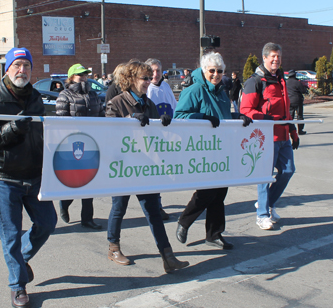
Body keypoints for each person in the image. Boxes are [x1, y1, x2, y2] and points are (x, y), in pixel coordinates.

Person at [0, 47, 57, 308]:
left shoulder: (36, 98)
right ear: (8, 68)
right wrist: (10, 129)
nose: (22, 71)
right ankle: (17, 286)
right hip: (4, 177)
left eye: (27, 66)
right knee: (10, 234)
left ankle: (19, 260)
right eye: (17, 65)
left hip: (34, 176)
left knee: (47, 223)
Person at [105, 60, 189, 273]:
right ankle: (113, 247)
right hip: (124, 167)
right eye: (144, 77)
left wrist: (163, 122)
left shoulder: (149, 103)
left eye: (150, 76)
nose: (149, 80)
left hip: (145, 166)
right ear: (131, 80)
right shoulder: (116, 102)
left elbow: (156, 137)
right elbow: (108, 130)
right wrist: (130, 118)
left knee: (153, 210)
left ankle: (168, 256)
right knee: (119, 208)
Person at [174, 52, 252, 250]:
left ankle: (214, 234)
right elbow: (179, 116)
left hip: (222, 147)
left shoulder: (222, 92)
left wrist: (238, 116)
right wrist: (202, 117)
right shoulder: (194, 90)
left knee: (220, 194)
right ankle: (184, 221)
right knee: (208, 191)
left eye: (219, 71)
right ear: (203, 70)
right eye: (212, 71)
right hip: (202, 149)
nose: (216, 75)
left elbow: (223, 116)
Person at [240, 42, 299, 231]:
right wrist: (266, 118)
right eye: (272, 56)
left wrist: (293, 131)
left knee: (288, 170)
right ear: (264, 58)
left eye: (279, 56)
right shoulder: (255, 81)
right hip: (265, 137)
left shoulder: (281, 79)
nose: (276, 59)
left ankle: (265, 203)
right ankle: (263, 215)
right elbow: (246, 110)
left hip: (283, 136)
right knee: (264, 176)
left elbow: (286, 110)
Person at [56, 63, 104, 230]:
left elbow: (102, 115)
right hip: (73, 145)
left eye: (85, 75)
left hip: (92, 143)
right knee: (75, 181)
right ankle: (65, 202)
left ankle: (87, 218)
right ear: (71, 78)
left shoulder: (93, 94)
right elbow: (61, 121)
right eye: (79, 75)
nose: (83, 77)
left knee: (89, 181)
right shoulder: (65, 95)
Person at [145, 58, 178, 221]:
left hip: (166, 136)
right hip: (151, 137)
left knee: (160, 173)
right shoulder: (146, 89)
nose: (155, 74)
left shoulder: (165, 87)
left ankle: (157, 203)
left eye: (158, 70)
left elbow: (174, 107)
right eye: (152, 71)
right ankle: (155, 207)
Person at [286, 70, 308, 135]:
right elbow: (304, 90)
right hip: (298, 101)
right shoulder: (297, 82)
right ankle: (300, 130)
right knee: (300, 116)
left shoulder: (286, 83)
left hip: (289, 101)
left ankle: (289, 130)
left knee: (290, 116)